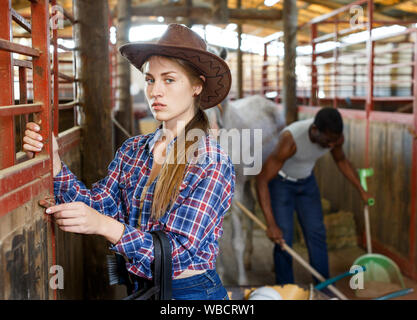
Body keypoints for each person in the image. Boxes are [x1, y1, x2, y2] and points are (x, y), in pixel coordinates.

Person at [23, 24, 235, 300]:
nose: (155, 91)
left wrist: (103, 225)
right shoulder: (133, 150)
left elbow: (178, 253)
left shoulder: (211, 160)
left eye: (169, 80)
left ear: (197, 86)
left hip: (190, 292)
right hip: (140, 288)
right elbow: (101, 205)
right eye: (150, 80)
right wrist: (54, 163)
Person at [255, 107, 372, 285]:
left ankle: (323, 287)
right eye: (328, 141)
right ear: (315, 130)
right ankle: (285, 288)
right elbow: (262, 179)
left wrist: (361, 190)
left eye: (335, 141)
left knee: (316, 232)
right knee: (283, 239)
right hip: (281, 184)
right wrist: (271, 224)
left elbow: (341, 161)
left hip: (307, 183)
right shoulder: (290, 140)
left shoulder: (335, 138)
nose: (332, 145)